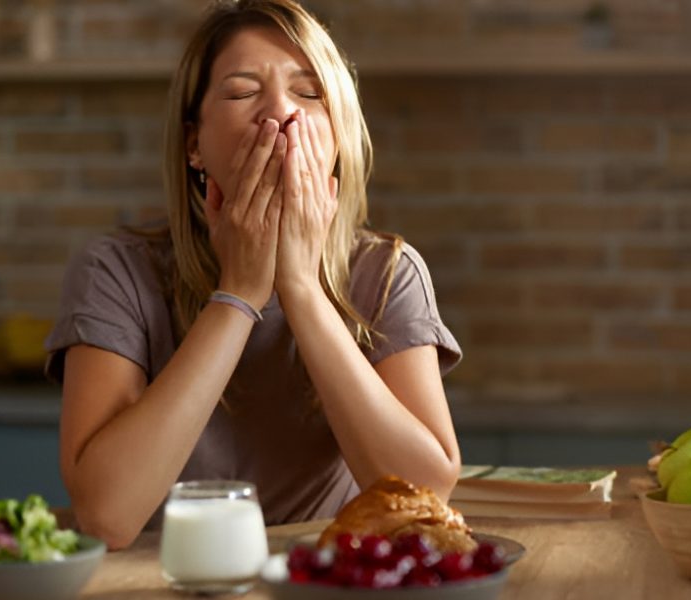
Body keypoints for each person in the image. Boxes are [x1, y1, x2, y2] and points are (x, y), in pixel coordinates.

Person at [44, 0, 462, 550]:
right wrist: (238, 294)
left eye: (309, 93)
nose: (281, 112)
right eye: (243, 92)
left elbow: (426, 494)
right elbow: (106, 516)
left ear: (338, 136)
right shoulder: (115, 273)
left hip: (325, 578)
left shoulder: (387, 274)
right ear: (194, 144)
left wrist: (302, 290)